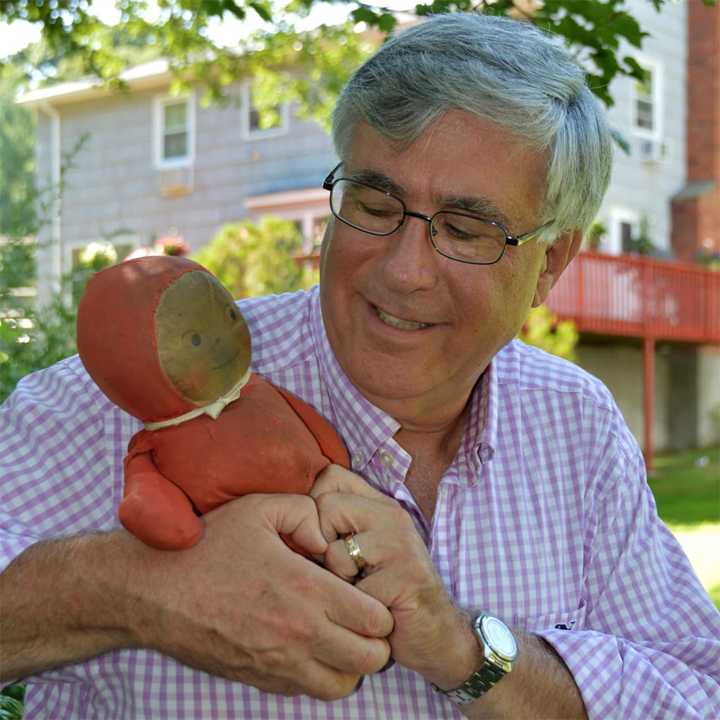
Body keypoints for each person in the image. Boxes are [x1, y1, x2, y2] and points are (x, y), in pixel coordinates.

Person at [1, 11, 719, 720]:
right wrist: (135, 590)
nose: (405, 271)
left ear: (551, 262)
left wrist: (468, 652)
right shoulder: (139, 395)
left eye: (466, 230)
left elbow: (697, 690)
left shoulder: (576, 423)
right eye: (375, 204)